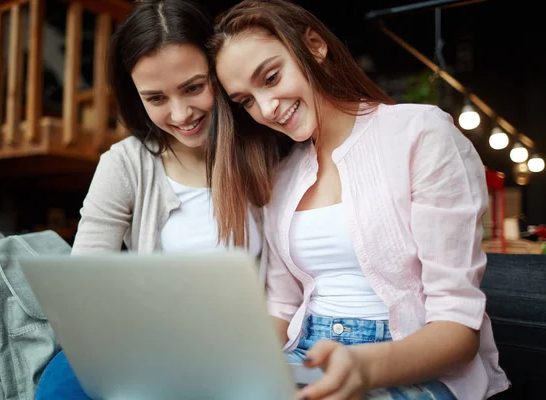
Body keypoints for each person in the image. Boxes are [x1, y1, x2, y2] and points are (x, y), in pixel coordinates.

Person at [207, 0, 510, 399]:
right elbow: (282, 307)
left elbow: (458, 328)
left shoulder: (419, 133)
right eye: (245, 100)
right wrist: (227, 363)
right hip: (305, 355)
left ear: (314, 45)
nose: (265, 108)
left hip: (406, 364)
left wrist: (364, 367)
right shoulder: (281, 176)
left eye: (272, 77)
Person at [34, 1, 264, 398]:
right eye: (156, 98)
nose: (181, 113)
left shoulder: (263, 150)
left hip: (240, 345)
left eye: (194, 87)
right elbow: (83, 288)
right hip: (140, 341)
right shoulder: (125, 163)